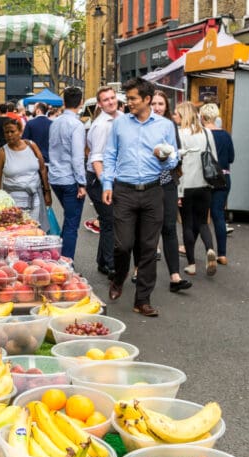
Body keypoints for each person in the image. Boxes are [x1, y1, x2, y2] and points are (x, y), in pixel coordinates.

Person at [102, 77, 178, 317]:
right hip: (124, 190)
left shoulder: (165, 126)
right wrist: (107, 183)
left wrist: (164, 157)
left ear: (147, 99)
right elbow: (110, 155)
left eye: (133, 98)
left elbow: (174, 159)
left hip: (153, 191)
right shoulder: (120, 124)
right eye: (128, 98)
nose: (129, 102)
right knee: (123, 245)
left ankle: (142, 300)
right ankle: (118, 276)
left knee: (147, 248)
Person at [150, 91, 193, 293]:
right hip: (147, 184)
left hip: (167, 184)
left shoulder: (170, 127)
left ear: (166, 107)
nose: (157, 107)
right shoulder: (144, 127)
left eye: (161, 104)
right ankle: (139, 269)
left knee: (169, 228)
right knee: (146, 230)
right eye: (154, 103)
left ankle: (175, 276)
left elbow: (178, 154)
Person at [175, 101, 217, 277]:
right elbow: (213, 157)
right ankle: (209, 249)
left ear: (184, 115)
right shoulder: (207, 133)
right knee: (202, 222)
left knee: (187, 224)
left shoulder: (179, 134)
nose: (174, 116)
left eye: (177, 113)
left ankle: (191, 264)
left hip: (186, 186)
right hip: (204, 184)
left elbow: (176, 161)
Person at [85, 86, 121, 277]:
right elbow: (96, 158)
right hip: (99, 179)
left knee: (110, 220)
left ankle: (102, 261)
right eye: (106, 100)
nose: (110, 102)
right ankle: (109, 264)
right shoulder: (101, 125)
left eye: (112, 98)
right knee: (109, 221)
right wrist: (106, 184)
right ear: (100, 104)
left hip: (113, 177)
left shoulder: (121, 118)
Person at [47, 87, 87, 259]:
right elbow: (77, 158)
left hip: (55, 177)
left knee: (69, 220)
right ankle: (66, 261)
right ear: (81, 103)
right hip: (69, 179)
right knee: (72, 223)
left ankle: (60, 258)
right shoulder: (76, 125)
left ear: (64, 102)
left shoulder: (55, 122)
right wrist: (82, 183)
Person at [0, 117, 51, 228]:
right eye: (6, 132)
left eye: (12, 131)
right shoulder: (2, 152)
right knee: (16, 230)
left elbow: (42, 169)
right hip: (13, 202)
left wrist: (47, 192)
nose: (9, 135)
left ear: (20, 131)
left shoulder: (31, 146)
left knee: (34, 230)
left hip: (35, 198)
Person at [200, 103, 235, 266]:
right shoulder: (226, 135)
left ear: (202, 117)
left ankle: (190, 248)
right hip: (223, 178)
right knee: (218, 215)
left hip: (205, 178)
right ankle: (222, 254)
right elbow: (231, 158)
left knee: (199, 216)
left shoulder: (201, 134)